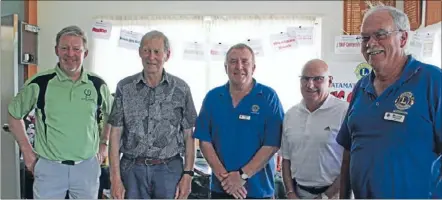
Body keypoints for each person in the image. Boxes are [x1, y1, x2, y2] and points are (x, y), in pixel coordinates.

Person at [336, 5, 442, 199]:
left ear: (403, 38)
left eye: (380, 35)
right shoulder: (361, 87)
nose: (370, 43)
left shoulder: (432, 80)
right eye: (365, 38)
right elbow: (349, 151)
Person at [7, 25, 113, 199]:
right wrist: (26, 151)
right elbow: (13, 115)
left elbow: (113, 114)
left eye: (76, 49)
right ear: (57, 50)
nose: (70, 54)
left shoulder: (97, 84)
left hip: (86, 168)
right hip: (50, 168)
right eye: (64, 48)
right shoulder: (39, 83)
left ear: (85, 53)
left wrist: (104, 144)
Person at [108, 30, 198, 199]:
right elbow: (115, 135)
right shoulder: (124, 87)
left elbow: (189, 136)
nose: (151, 57)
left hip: (169, 171)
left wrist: (188, 175)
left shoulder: (181, 89)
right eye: (146, 51)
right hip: (132, 170)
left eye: (157, 52)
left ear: (167, 55)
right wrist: (115, 178)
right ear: (140, 52)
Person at [193, 43, 284, 199]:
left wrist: (241, 176)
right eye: (233, 61)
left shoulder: (268, 97)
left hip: (258, 191)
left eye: (245, 61)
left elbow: (272, 144)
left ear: (253, 67)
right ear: (225, 67)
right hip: (221, 188)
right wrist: (226, 180)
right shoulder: (213, 97)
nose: (239, 66)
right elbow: (204, 141)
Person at [281, 59, 348, 199]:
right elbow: (286, 159)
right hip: (299, 195)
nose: (310, 85)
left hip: (335, 195)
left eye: (318, 79)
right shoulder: (290, 114)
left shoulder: (345, 111)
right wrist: (290, 193)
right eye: (305, 78)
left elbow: (352, 161)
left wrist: (326, 196)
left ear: (329, 81)